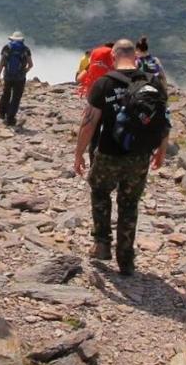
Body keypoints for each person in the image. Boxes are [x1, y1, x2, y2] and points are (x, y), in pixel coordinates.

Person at [73, 38, 170, 276]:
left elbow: (89, 124)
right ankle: (126, 259)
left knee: (99, 191)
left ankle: (102, 244)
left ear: (114, 56)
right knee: (129, 203)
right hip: (140, 155)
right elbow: (164, 119)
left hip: (108, 152)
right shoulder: (153, 83)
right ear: (135, 57)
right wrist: (162, 150)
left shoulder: (104, 84)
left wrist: (78, 154)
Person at [0, 30, 33, 126]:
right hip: (20, 78)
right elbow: (31, 64)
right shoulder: (26, 49)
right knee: (16, 98)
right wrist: (25, 71)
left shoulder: (6, 48)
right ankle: (10, 118)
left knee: (6, 94)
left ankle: (2, 114)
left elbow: (1, 63)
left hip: (8, 76)